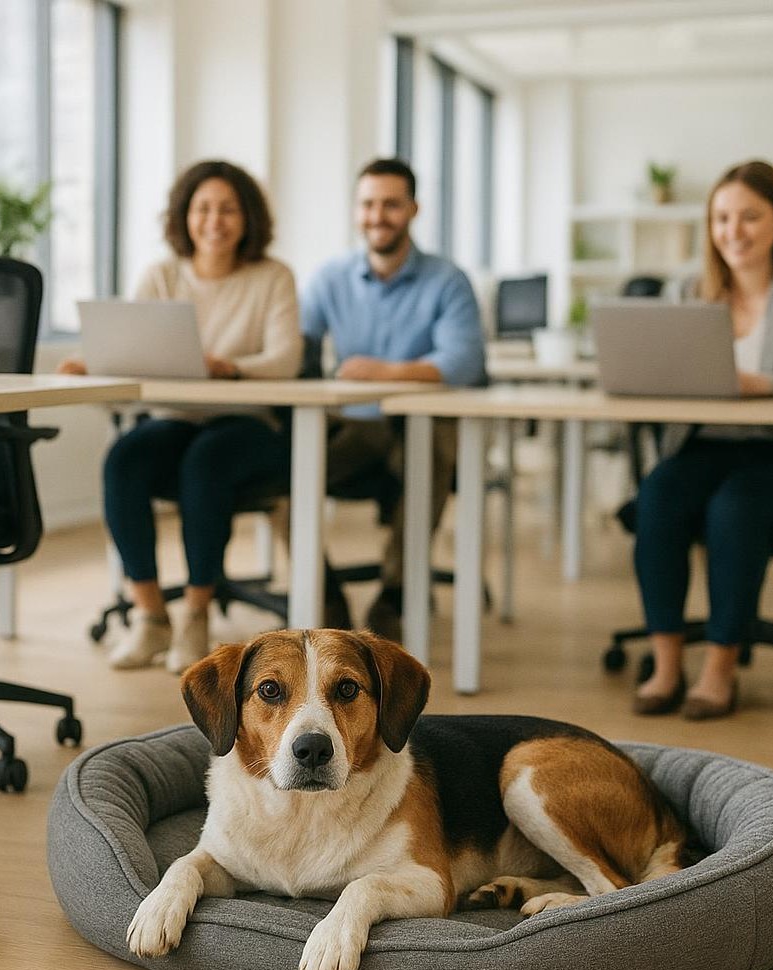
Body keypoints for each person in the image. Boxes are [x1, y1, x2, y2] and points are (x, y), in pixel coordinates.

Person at [630, 159, 773, 721]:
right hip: (707, 446)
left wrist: (745, 383)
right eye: (722, 218)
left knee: (737, 506)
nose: (733, 231)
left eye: (750, 217)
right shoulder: (693, 289)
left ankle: (720, 669)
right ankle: (666, 665)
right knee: (659, 494)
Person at [58, 160, 302, 672]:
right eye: (203, 208)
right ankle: (150, 617)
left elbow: (285, 360)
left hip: (248, 424)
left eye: (228, 209)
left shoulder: (272, 277)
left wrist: (227, 367)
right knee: (125, 458)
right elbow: (135, 348)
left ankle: (196, 613)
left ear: (248, 217)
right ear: (184, 217)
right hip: (174, 420)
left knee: (207, 458)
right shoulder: (161, 275)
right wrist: (96, 363)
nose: (215, 220)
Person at [298, 157, 486, 640]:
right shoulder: (329, 277)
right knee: (278, 461)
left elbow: (463, 363)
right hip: (352, 428)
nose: (376, 216)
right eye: (367, 204)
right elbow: (296, 348)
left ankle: (397, 593)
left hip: (416, 428)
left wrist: (387, 372)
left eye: (390, 204)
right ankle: (324, 595)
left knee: (434, 447)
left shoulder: (446, 280)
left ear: (413, 209)